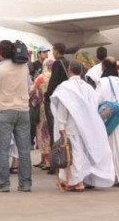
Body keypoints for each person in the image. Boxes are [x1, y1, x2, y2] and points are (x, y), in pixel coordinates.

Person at [50, 60, 115, 191]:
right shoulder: (88, 88)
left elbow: (63, 107)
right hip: (87, 127)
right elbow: (95, 105)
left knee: (73, 155)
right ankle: (72, 180)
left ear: (69, 71)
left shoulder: (65, 87)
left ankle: (77, 182)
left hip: (71, 127)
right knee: (81, 154)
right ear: (81, 72)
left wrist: (61, 126)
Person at [0, 40, 32, 192]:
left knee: (2, 150)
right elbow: (29, 85)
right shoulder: (24, 67)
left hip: (4, 110)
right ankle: (25, 183)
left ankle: (3, 184)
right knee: (24, 150)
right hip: (23, 110)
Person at [96, 57, 119, 187]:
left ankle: (112, 176)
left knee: (110, 148)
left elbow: (97, 100)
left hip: (110, 120)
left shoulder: (102, 82)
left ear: (104, 67)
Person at [43, 43, 69, 173]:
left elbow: (53, 82)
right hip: (67, 98)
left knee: (55, 130)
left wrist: (47, 96)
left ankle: (56, 163)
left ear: (57, 51)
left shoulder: (58, 63)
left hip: (57, 100)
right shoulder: (67, 62)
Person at [32, 59, 54, 171]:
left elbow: (32, 92)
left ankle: (46, 160)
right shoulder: (55, 77)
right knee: (50, 134)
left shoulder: (40, 78)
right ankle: (47, 159)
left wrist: (34, 102)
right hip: (53, 108)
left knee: (42, 134)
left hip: (42, 109)